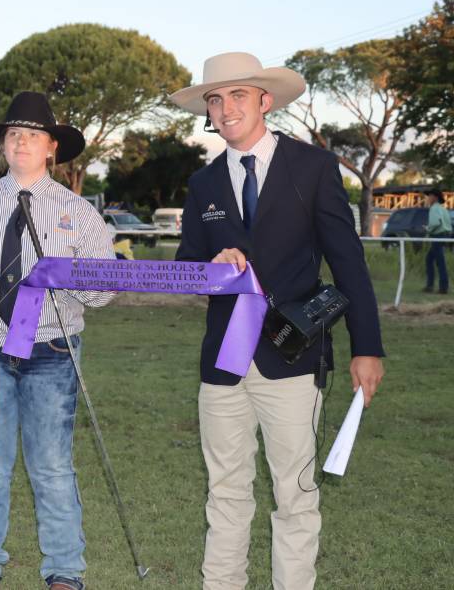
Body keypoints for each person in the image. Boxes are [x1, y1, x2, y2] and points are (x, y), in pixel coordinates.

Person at [170, 52, 385, 590]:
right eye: (215, 100)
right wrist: (208, 268)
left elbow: (348, 261)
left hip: (293, 358)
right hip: (223, 364)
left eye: (237, 96)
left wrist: (367, 347)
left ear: (265, 101)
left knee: (295, 497)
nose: (225, 108)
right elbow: (185, 267)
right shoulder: (203, 183)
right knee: (225, 492)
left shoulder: (312, 168)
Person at [0, 91, 115, 590]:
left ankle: (63, 571)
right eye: (13, 135)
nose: (21, 143)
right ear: (3, 146)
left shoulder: (79, 213)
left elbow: (103, 291)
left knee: (52, 465)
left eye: (32, 136)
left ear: (51, 148)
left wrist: (67, 276)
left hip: (52, 352)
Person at [423, 188, 451, 294]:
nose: (428, 198)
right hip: (445, 235)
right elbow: (447, 223)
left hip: (437, 236)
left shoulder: (434, 208)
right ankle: (432, 285)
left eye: (429, 196)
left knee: (439, 262)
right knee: (431, 260)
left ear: (435, 197)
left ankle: (442, 287)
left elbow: (435, 223)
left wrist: (428, 229)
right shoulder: (443, 209)